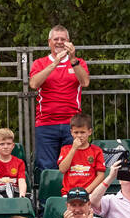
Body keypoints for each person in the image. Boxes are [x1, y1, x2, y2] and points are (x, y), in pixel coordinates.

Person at [29, 26, 90, 171]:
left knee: (74, 167)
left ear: (69, 41)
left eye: (63, 39)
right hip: (46, 124)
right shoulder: (40, 63)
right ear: (49, 42)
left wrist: (72, 59)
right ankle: (50, 194)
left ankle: (71, 194)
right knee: (47, 168)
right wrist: (55, 63)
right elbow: (33, 83)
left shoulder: (78, 62)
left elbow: (85, 82)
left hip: (72, 124)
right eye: (56, 39)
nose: (59, 42)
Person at [58, 113, 105, 196]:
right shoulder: (65, 149)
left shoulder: (96, 151)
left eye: (82, 132)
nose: (79, 136)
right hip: (69, 193)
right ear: (71, 132)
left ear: (89, 132)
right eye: (76, 132)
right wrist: (73, 149)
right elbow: (62, 169)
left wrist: (87, 191)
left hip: (90, 193)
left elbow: (100, 176)